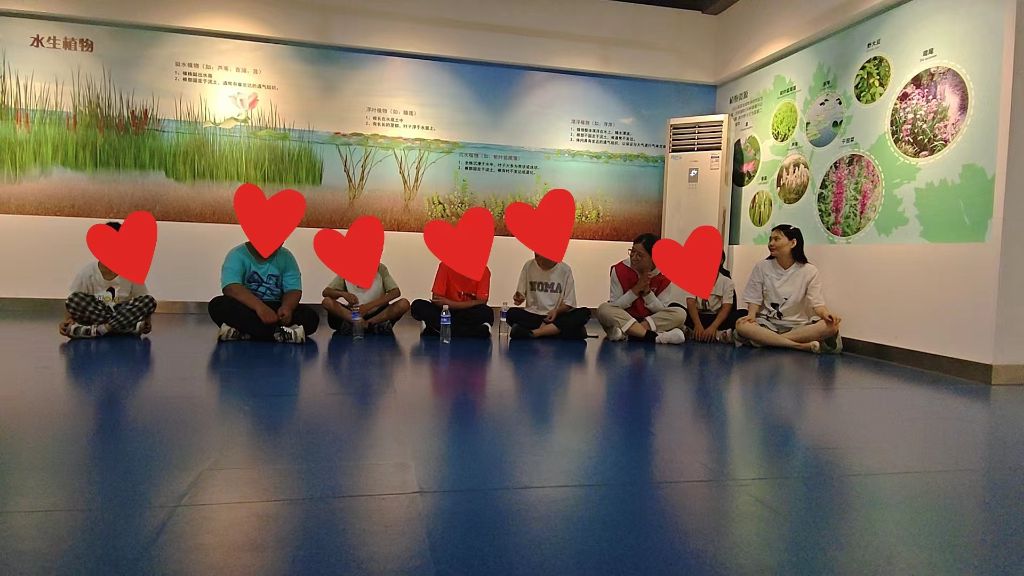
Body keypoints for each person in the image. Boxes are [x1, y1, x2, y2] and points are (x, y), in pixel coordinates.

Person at [734, 224, 842, 353]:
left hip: (798, 327)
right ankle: (800, 346)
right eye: (770, 239)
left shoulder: (809, 271)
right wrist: (751, 316)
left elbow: (817, 304)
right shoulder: (762, 267)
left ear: (793, 243)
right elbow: (754, 298)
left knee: (831, 327)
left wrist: (826, 314)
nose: (771, 243)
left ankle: (769, 341)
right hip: (767, 324)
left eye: (776, 239)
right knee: (742, 325)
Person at [59, 221, 157, 339]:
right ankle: (126, 328)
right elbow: (74, 302)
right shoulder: (88, 271)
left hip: (122, 312)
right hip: (98, 313)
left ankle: (100, 330)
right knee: (74, 299)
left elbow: (142, 299)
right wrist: (67, 320)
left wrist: (147, 321)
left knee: (149, 301)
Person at [208, 241, 320, 343]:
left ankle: (245, 332)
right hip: (247, 307)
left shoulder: (287, 256)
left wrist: (287, 307)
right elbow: (231, 287)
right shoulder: (237, 254)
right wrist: (260, 308)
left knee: (310, 317)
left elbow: (293, 289)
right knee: (218, 305)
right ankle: (280, 333)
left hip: (276, 309)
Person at [595, 233, 687, 344]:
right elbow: (616, 306)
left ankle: (630, 333)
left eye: (639, 255)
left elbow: (661, 310)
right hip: (624, 318)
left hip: (650, 321)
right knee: (604, 309)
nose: (634, 257)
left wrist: (647, 293)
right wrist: (635, 290)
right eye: (632, 252)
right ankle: (655, 337)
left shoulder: (664, 276)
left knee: (680, 313)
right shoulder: (620, 270)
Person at [508, 253, 591, 340]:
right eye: (536, 256)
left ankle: (535, 333)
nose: (538, 260)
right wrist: (519, 298)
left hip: (556, 316)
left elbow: (569, 303)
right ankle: (557, 331)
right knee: (511, 313)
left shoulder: (565, 269)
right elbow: (520, 294)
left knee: (584, 313)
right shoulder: (528, 266)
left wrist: (556, 311)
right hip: (534, 315)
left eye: (542, 257)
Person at [321, 263, 410, 335]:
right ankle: (359, 322)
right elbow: (326, 292)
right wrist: (343, 294)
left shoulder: (380, 268)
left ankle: (367, 324)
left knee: (404, 304)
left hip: (378, 313)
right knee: (327, 302)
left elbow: (395, 292)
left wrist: (368, 307)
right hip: (354, 314)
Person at [411, 262, 492, 338]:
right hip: (445, 311)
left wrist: (450, 303)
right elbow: (437, 299)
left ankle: (437, 329)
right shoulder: (445, 266)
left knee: (486, 312)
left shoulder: (483, 270)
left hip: (467, 312)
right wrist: (448, 304)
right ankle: (470, 331)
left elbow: (482, 301)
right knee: (417, 305)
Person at [685, 250, 744, 344]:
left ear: (721, 261)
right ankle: (718, 335)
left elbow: (726, 308)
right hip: (699, 317)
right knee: (677, 308)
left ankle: (696, 333)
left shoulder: (727, 282)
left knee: (742, 314)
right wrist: (697, 324)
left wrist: (713, 327)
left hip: (716, 319)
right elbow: (690, 302)